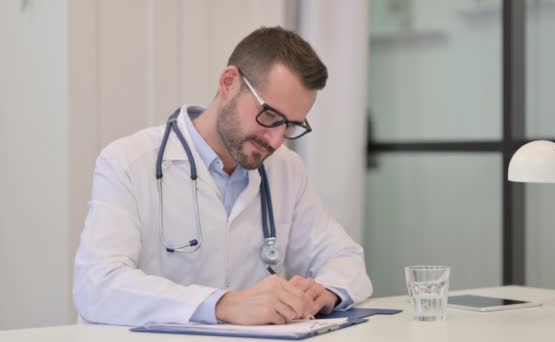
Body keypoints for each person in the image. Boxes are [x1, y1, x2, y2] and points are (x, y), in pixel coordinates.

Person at [73, 26, 373, 326]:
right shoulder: (128, 161)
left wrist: (326, 289)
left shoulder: (286, 169)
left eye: (291, 126)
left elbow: (344, 257)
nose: (277, 140)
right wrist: (222, 305)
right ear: (229, 83)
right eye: (269, 116)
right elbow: (97, 285)